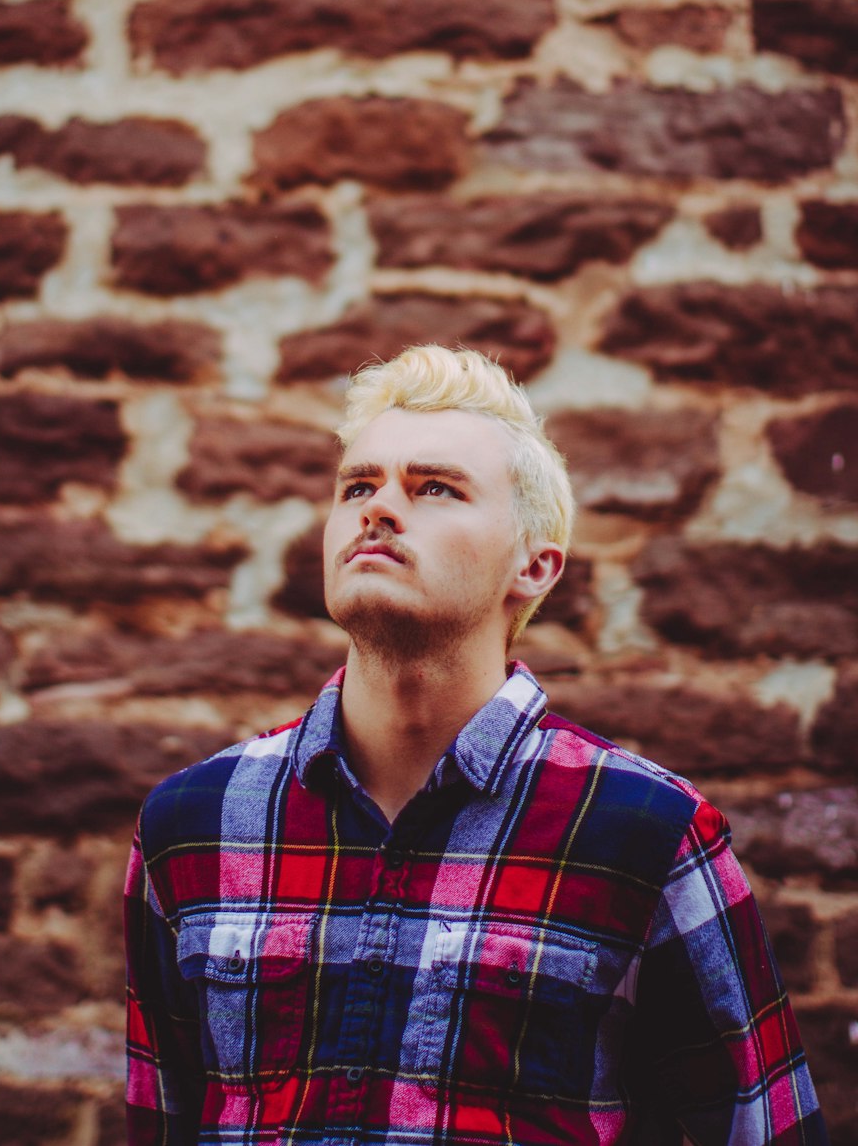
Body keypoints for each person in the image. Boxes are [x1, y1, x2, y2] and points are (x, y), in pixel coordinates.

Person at [124, 344, 826, 1146]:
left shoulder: (648, 834)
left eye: (434, 488)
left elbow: (764, 1129)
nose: (378, 509)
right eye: (359, 484)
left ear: (534, 565)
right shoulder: (191, 824)